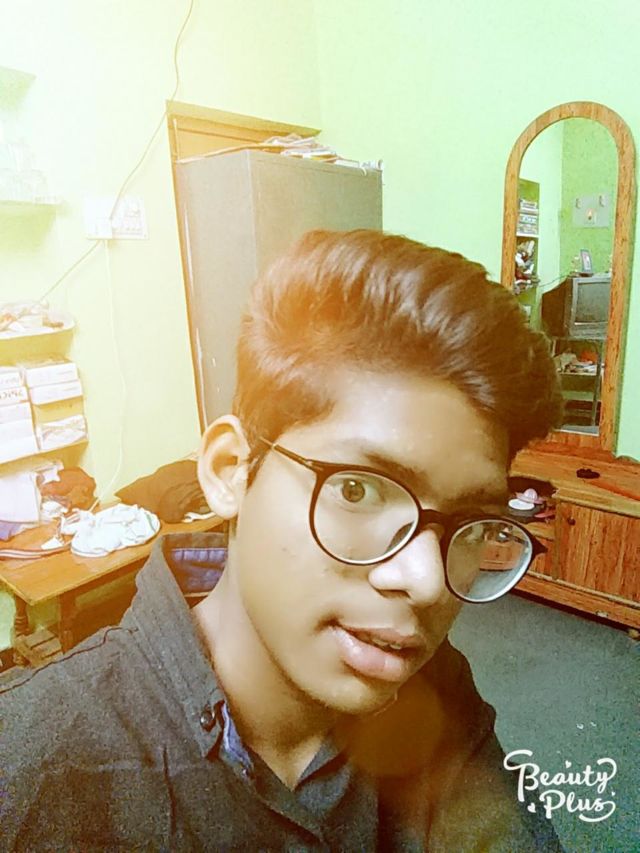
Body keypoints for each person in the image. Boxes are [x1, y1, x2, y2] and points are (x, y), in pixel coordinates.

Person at [0, 230, 564, 851]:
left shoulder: (438, 689)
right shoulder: (30, 770)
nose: (428, 582)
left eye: (471, 524)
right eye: (358, 491)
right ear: (229, 471)